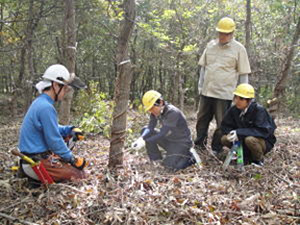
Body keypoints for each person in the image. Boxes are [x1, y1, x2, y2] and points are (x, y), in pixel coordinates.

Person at [18, 64, 88, 183]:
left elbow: (52, 127)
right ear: (55, 85)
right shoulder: (46, 107)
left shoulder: (41, 102)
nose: (65, 92)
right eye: (65, 88)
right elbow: (54, 140)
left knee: (68, 137)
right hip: (35, 163)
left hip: (33, 158)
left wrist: (70, 129)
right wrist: (73, 159)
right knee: (79, 175)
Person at [195, 17, 251, 155]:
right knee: (202, 119)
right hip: (207, 91)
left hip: (224, 93)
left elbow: (243, 74)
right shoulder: (210, 45)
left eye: (226, 33)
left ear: (232, 33)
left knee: (222, 123)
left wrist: (243, 96)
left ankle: (216, 148)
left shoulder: (239, 49)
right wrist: (200, 86)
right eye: (220, 33)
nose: (222, 36)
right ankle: (199, 145)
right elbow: (203, 68)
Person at [131, 90, 199, 171]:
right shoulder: (156, 112)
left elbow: (163, 132)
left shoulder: (173, 113)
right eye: (149, 109)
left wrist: (146, 141)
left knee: (170, 167)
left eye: (152, 108)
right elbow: (150, 127)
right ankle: (156, 159)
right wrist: (141, 138)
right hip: (170, 140)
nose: (151, 111)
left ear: (160, 102)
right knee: (145, 130)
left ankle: (191, 158)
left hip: (182, 143)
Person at [220, 83, 277, 166]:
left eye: (241, 99)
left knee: (250, 140)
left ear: (249, 100)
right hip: (241, 140)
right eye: (236, 97)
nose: (237, 101)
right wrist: (232, 133)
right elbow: (224, 125)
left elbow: (263, 131)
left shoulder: (259, 110)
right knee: (225, 138)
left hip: (261, 142)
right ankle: (242, 155)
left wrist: (239, 133)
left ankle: (257, 160)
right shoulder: (234, 109)